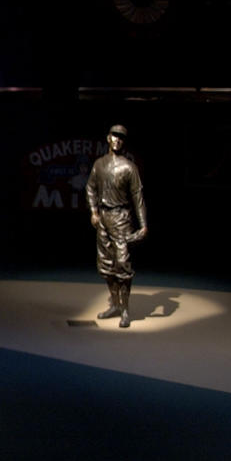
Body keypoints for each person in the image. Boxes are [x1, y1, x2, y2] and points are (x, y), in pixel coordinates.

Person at [86, 124, 147, 328]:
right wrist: (94, 212)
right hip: (103, 217)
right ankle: (115, 304)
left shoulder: (129, 167)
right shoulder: (99, 164)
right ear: (108, 138)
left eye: (121, 137)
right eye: (114, 136)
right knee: (106, 265)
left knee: (123, 265)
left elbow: (138, 197)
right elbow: (90, 188)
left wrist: (143, 225)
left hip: (121, 219)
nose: (117, 140)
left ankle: (126, 310)